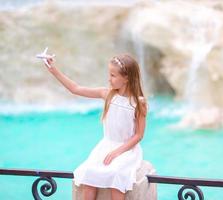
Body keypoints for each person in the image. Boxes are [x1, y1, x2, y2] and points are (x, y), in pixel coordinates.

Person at [44, 54, 147, 200]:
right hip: (105, 146)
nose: (109, 79)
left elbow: (139, 135)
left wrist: (118, 152)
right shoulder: (107, 94)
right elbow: (76, 88)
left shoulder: (138, 103)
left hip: (126, 150)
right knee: (89, 174)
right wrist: (53, 70)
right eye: (109, 74)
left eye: (113, 75)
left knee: (117, 175)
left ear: (127, 78)